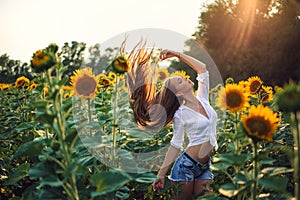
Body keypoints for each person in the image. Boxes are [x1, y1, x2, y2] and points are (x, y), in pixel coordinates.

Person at [127, 47, 218, 199]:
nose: (186, 78)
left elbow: (202, 69)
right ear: (179, 93)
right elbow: (176, 144)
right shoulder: (180, 114)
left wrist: (177, 55)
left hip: (205, 166)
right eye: (180, 81)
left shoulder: (203, 98)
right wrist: (161, 174)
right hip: (186, 166)